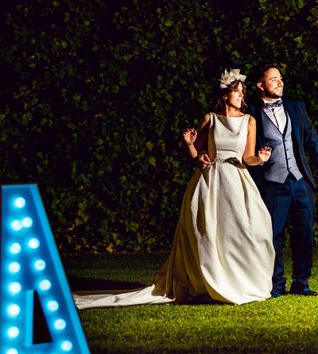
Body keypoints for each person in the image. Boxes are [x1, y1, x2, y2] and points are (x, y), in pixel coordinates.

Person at [74, 69, 274, 309]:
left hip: (238, 180)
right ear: (224, 95)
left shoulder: (248, 121)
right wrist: (191, 146)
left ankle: (242, 281)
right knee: (210, 233)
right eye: (236, 91)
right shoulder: (210, 119)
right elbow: (198, 154)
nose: (241, 96)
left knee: (249, 230)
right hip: (211, 182)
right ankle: (208, 282)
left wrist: (260, 159)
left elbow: (248, 157)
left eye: (242, 92)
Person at [247, 63, 318, 297]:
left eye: (280, 78)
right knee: (273, 235)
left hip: (300, 181)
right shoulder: (251, 113)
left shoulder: (296, 107)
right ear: (260, 85)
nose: (280, 82)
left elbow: (311, 140)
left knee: (304, 232)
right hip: (272, 183)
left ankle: (301, 282)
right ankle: (276, 284)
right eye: (273, 79)